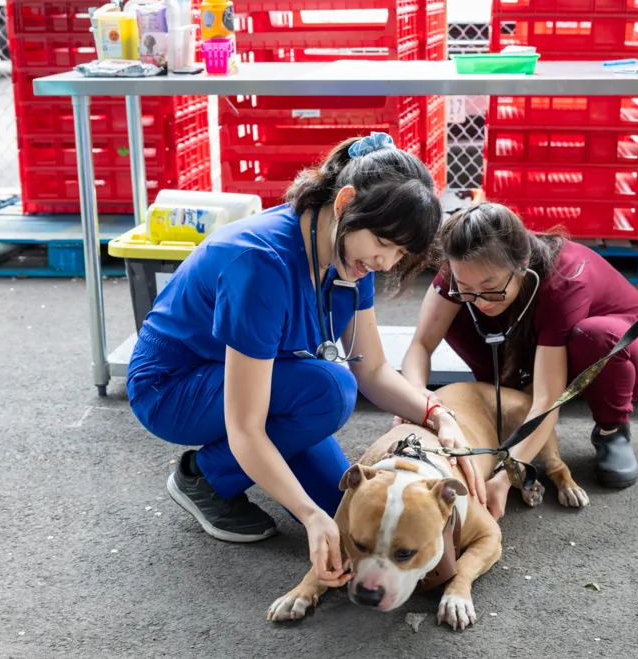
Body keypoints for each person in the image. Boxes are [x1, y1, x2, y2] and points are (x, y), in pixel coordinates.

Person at [125, 133, 486, 587]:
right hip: (172, 387)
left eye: (400, 253)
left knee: (348, 513)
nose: (386, 262)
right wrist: (306, 515)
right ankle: (204, 477)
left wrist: (439, 416)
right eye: (383, 243)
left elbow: (372, 370)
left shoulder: (352, 256)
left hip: (264, 382)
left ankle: (245, 477)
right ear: (345, 203)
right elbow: (246, 426)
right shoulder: (259, 265)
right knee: (330, 392)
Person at [401, 203, 638, 518]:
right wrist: (417, 400)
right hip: (543, 343)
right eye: (465, 287)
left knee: (594, 335)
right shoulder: (463, 270)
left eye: (490, 288)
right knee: (456, 314)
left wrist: (505, 477)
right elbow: (420, 344)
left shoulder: (565, 282)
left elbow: (546, 401)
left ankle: (612, 430)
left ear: (522, 265)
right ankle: (502, 402)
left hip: (628, 355)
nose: (479, 299)